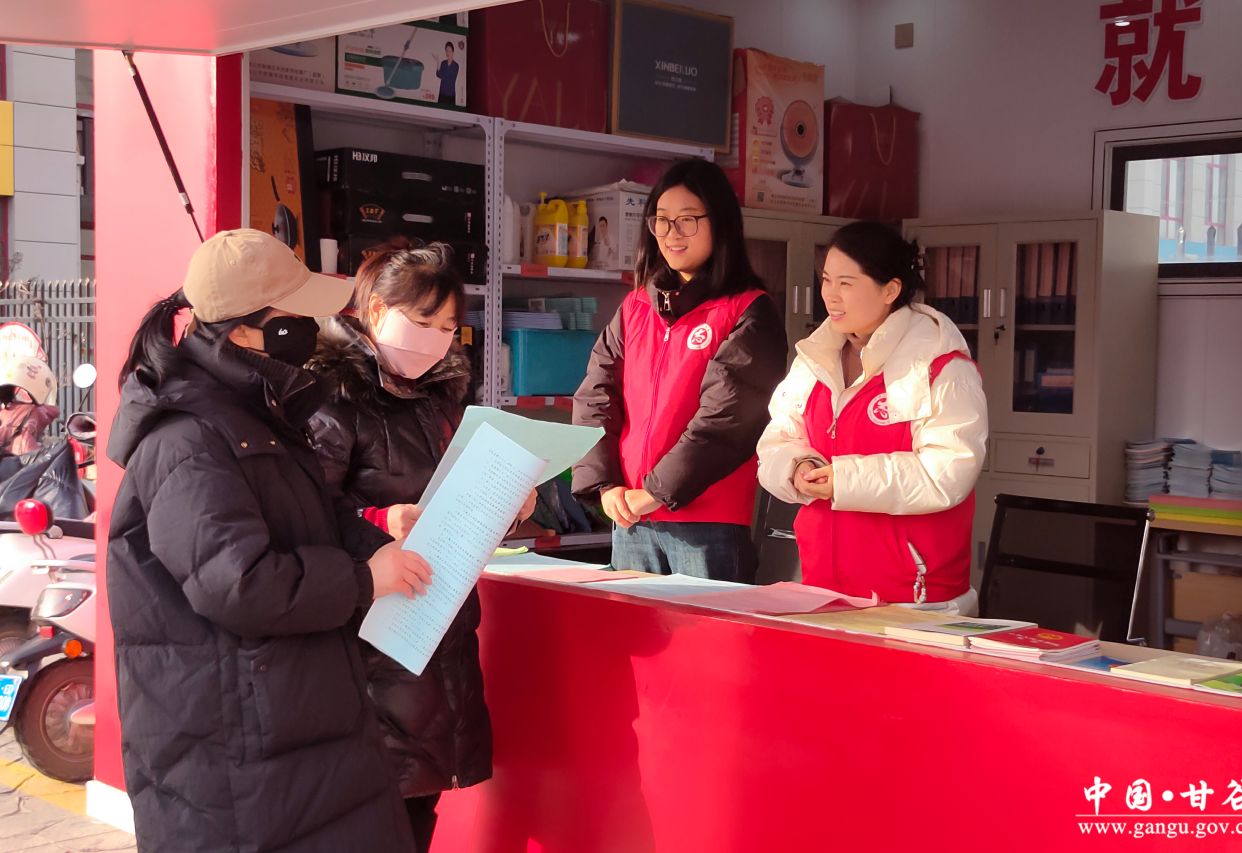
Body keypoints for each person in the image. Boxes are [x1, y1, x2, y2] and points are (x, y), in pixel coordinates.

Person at [106, 229, 432, 853]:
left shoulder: (254, 413)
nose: (312, 329)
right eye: (296, 315)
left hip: (285, 723)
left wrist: (375, 539)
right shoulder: (187, 441)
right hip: (235, 747)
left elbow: (307, 512)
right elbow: (239, 583)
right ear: (246, 332)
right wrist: (364, 580)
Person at [308, 239, 532, 850]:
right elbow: (302, 512)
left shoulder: (439, 400)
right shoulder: (331, 396)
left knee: (416, 810)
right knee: (371, 814)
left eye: (448, 328)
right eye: (422, 321)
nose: (435, 340)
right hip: (368, 638)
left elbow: (457, 502)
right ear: (377, 310)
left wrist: (507, 502)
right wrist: (380, 519)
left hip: (437, 632)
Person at [757, 221, 988, 615]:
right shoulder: (815, 358)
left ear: (890, 290)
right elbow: (777, 438)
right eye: (826, 280)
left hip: (915, 598)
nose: (830, 295)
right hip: (823, 586)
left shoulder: (940, 366)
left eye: (846, 283)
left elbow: (948, 472)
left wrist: (844, 480)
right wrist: (797, 466)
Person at [573, 159, 788, 582]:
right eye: (662, 220)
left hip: (709, 526)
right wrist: (606, 485)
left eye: (687, 219)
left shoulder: (748, 310)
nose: (672, 233)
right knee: (632, 627)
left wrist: (655, 492)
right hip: (631, 517)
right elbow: (596, 397)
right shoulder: (635, 307)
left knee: (706, 628)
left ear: (720, 223)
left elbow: (725, 421)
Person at [435, 42, 460, 107]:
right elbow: (438, 74)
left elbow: (447, 77)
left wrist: (441, 72)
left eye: (449, 51)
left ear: (453, 52)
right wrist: (438, 61)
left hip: (451, 95)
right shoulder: (443, 63)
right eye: (446, 51)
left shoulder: (456, 66)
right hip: (442, 93)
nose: (448, 53)